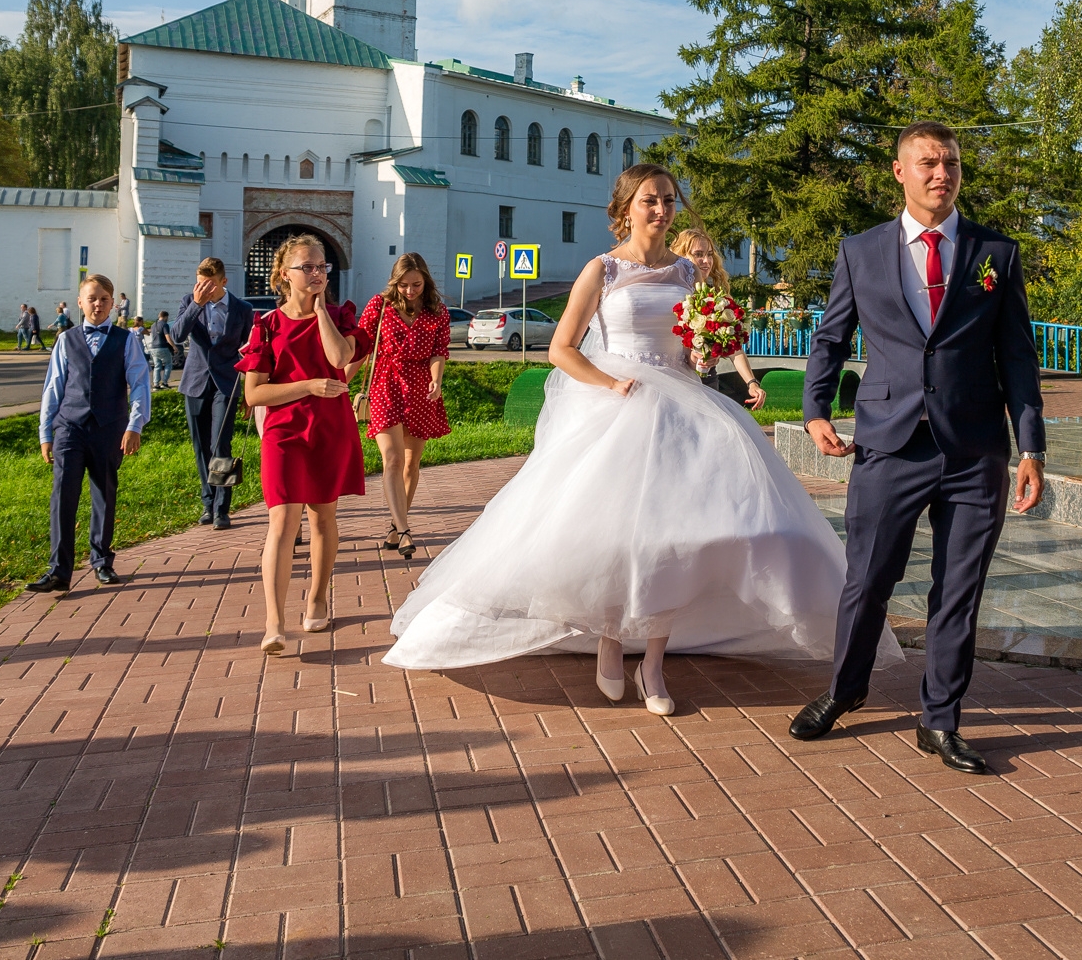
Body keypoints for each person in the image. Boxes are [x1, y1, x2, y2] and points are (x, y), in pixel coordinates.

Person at [385, 164, 898, 717]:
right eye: (650, 201)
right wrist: (610, 383)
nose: (661, 210)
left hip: (681, 407)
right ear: (626, 208)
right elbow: (562, 349)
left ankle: (653, 661)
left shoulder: (685, 272)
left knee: (675, 537)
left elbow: (689, 347)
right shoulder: (601, 270)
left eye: (669, 200)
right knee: (615, 535)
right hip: (618, 405)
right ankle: (610, 639)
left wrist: (703, 353)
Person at [795, 121, 1046, 776]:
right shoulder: (861, 250)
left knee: (957, 589)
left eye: (952, 163)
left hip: (976, 451)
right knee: (868, 579)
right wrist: (816, 407)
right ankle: (847, 687)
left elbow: (1018, 354)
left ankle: (940, 718)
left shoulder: (997, 252)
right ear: (900, 172)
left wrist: (1031, 446)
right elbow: (831, 337)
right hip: (888, 442)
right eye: (929, 163)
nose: (943, 173)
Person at [236, 235, 367, 654]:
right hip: (284, 432)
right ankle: (274, 622)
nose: (316, 273)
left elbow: (339, 359)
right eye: (307, 267)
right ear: (283, 275)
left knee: (323, 518)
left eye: (322, 267)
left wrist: (321, 310)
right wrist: (307, 385)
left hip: (329, 428)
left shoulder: (341, 316)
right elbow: (254, 395)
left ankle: (317, 597)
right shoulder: (267, 325)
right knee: (283, 521)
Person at [28, 275, 151, 594]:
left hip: (110, 428)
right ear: (80, 303)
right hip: (70, 427)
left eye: (104, 299)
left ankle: (102, 560)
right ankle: (59, 570)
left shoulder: (127, 340)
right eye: (91, 298)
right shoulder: (66, 340)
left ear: (114, 303)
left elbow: (139, 385)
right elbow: (53, 387)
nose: (98, 304)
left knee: (104, 493)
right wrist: (46, 432)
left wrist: (134, 425)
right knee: (62, 496)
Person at [354, 254, 452, 560]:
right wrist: (340, 382)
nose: (410, 291)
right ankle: (405, 530)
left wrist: (436, 380)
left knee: (412, 462)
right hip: (385, 384)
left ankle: (396, 527)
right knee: (393, 460)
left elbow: (440, 351)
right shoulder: (378, 305)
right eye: (404, 285)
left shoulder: (437, 310)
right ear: (395, 282)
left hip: (422, 388)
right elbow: (361, 348)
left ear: (426, 281)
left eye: (417, 285)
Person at [176, 259, 255, 531]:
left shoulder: (243, 309)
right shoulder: (189, 301)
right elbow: (177, 335)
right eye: (199, 283)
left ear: (223, 281)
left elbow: (251, 353)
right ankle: (207, 504)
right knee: (201, 448)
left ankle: (222, 509)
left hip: (227, 384)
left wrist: (249, 392)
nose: (203, 289)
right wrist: (196, 305)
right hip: (195, 383)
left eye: (209, 284)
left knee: (221, 446)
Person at [670, 228, 767, 410]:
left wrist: (752, 382)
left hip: (708, 382)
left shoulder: (718, 300)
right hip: (676, 382)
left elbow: (734, 349)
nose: (706, 261)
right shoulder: (669, 294)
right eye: (698, 254)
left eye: (709, 254)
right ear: (680, 256)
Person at [147, 310, 177, 389]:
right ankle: (165, 382)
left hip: (153, 348)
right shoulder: (164, 324)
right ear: (165, 317)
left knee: (157, 366)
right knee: (168, 364)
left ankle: (156, 384)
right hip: (162, 347)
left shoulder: (153, 325)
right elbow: (167, 337)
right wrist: (174, 346)